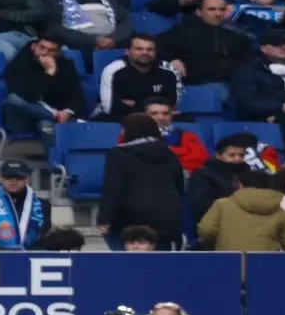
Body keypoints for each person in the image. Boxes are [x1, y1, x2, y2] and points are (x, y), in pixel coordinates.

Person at [96, 113, 184, 250]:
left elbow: (113, 188)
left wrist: (104, 218)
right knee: (162, 266)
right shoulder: (169, 153)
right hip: (167, 217)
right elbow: (179, 185)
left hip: (128, 218)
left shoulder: (117, 154)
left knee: (126, 266)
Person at [156, 0, 253, 87]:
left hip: (234, 85)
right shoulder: (183, 32)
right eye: (211, 9)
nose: (217, 14)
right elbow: (154, 45)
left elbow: (247, 62)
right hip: (198, 84)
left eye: (221, 9)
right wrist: (172, 59)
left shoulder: (236, 37)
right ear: (199, 12)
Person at [197, 169, 285, 251]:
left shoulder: (222, 205)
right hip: (267, 268)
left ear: (240, 185)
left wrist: (215, 247)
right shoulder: (280, 212)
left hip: (228, 264)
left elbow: (206, 231)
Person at [1, 34, 85, 138]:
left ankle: (55, 151)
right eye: (42, 47)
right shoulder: (19, 65)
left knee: (46, 126)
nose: (44, 53)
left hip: (52, 120)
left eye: (50, 50)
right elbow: (29, 96)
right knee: (13, 100)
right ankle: (53, 115)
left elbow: (77, 97)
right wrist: (49, 73)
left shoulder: (66, 66)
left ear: (58, 53)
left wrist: (67, 111)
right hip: (24, 119)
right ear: (33, 47)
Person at [42, 0, 132, 66]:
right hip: (77, 44)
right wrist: (92, 41)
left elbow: (126, 21)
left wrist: (113, 38)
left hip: (111, 43)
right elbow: (54, 28)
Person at [94, 34, 181, 122]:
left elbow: (171, 104)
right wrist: (152, 107)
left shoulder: (168, 71)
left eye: (150, 49)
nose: (145, 53)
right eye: (139, 49)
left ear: (155, 52)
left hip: (159, 117)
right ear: (128, 51)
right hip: (122, 118)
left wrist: (133, 105)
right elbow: (110, 107)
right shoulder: (113, 70)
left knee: (186, 120)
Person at [187, 133, 253, 227]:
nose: (237, 159)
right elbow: (201, 204)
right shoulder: (202, 175)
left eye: (241, 155)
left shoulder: (249, 174)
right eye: (232, 155)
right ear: (218, 155)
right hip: (217, 223)